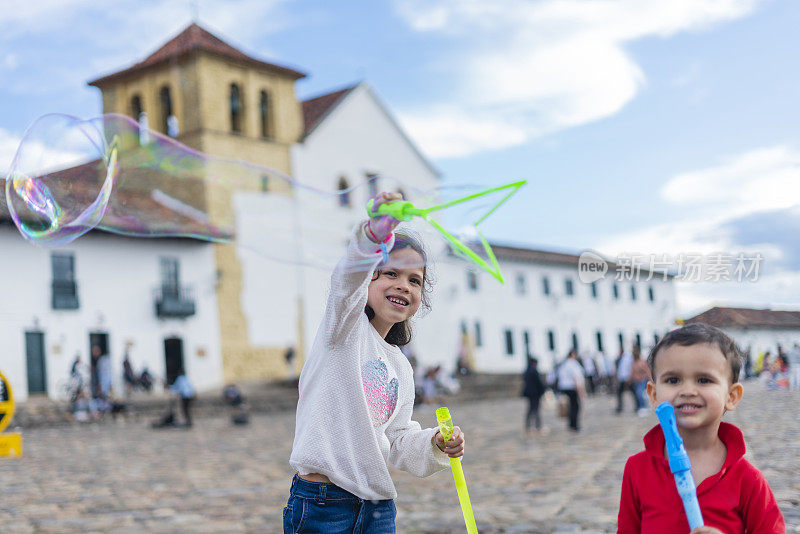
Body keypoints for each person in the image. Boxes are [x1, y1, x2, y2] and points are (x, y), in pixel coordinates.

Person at [285, 192, 465, 533]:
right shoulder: (343, 330)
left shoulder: (401, 365)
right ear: (368, 279)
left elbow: (397, 439)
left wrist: (434, 444)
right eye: (391, 274)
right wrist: (373, 237)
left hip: (378, 509)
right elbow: (346, 281)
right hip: (324, 504)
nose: (403, 286)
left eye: (415, 280)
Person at [618, 323, 785, 532]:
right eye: (673, 380)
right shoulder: (637, 470)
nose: (687, 390)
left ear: (731, 396)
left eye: (704, 380)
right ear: (653, 395)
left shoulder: (748, 479)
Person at [557, 349, 586, 432]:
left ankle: (571, 424)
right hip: (572, 388)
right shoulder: (573, 364)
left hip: (564, 388)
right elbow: (576, 378)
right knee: (575, 407)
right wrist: (581, 392)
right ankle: (574, 425)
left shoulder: (564, 364)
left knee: (570, 407)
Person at [521, 356, 546, 435]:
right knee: (536, 409)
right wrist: (543, 390)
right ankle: (538, 426)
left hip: (529, 393)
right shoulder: (534, 371)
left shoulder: (527, 371)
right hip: (535, 393)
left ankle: (528, 426)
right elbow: (538, 382)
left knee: (530, 409)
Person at [615, 345, 637, 414]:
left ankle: (638, 406)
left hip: (626, 378)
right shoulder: (622, 358)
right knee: (620, 393)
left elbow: (628, 368)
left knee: (634, 392)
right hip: (622, 378)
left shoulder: (627, 358)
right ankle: (620, 407)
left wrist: (629, 378)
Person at [630, 349, 651, 417]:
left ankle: (643, 407)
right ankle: (639, 407)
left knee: (639, 393)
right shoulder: (633, 363)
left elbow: (647, 371)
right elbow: (632, 373)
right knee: (636, 395)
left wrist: (651, 379)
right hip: (635, 382)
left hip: (642, 381)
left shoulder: (641, 362)